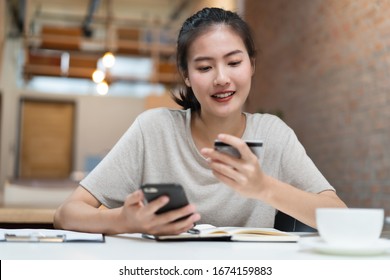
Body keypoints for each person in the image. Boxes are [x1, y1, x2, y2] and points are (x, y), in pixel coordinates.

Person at [54, 7, 346, 235]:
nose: (221, 78)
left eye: (234, 63)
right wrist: (124, 220)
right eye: (205, 67)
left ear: (252, 65)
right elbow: (66, 214)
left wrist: (263, 187)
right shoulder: (153, 129)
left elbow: (338, 216)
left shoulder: (273, 133)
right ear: (186, 76)